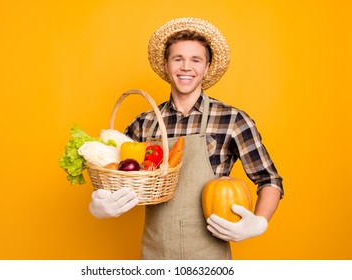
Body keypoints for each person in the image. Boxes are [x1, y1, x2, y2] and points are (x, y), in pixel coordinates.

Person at [89, 17, 283, 259]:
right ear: (167, 64)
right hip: (154, 256)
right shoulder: (144, 123)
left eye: (195, 60)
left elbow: (269, 180)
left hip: (209, 259)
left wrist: (259, 222)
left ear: (207, 66)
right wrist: (100, 204)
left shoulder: (232, 119)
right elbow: (114, 174)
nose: (186, 67)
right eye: (178, 58)